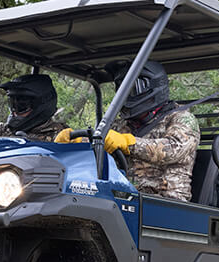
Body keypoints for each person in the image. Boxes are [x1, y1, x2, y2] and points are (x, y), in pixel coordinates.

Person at [56, 60, 199, 200]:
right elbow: (104, 140)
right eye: (122, 89)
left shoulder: (182, 118)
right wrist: (79, 140)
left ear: (151, 87)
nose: (126, 95)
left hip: (165, 204)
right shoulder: (123, 124)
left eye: (131, 89)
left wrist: (128, 143)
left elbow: (173, 149)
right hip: (123, 197)